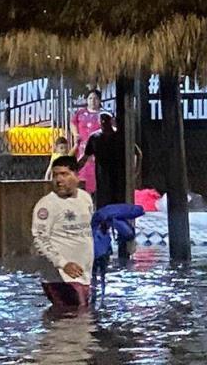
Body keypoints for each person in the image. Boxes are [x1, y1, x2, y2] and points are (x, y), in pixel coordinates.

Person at [32, 155, 95, 308]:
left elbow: (88, 231)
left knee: (80, 322)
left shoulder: (85, 198)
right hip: (59, 277)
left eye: (64, 174)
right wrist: (63, 263)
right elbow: (40, 239)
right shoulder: (47, 205)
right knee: (72, 319)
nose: (59, 180)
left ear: (76, 175)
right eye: (55, 175)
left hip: (84, 275)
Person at [79, 113, 141, 209]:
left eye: (106, 120)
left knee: (118, 205)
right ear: (99, 122)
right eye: (102, 121)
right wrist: (74, 169)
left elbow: (138, 153)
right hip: (102, 179)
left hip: (119, 178)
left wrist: (135, 172)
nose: (104, 123)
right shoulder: (95, 137)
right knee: (103, 204)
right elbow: (85, 157)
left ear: (111, 121)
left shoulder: (120, 136)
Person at [70, 89, 110, 196]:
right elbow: (73, 123)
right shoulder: (80, 113)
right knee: (82, 174)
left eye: (96, 98)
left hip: (98, 152)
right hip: (83, 151)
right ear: (87, 100)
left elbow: (112, 128)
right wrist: (75, 134)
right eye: (90, 98)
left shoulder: (104, 114)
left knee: (97, 176)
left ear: (100, 100)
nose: (93, 101)